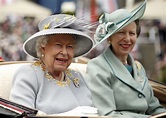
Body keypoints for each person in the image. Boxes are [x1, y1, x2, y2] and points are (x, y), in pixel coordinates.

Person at [85, 0, 166, 118]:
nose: (127, 39)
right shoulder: (97, 67)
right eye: (121, 33)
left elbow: (154, 108)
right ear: (109, 38)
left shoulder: (138, 67)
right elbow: (107, 114)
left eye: (132, 33)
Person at [9, 14, 98, 115]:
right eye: (58, 45)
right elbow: (22, 115)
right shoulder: (29, 74)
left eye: (69, 46)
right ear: (43, 47)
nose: (64, 52)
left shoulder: (78, 76)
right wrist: (69, 116)